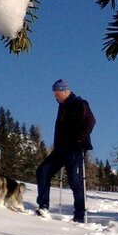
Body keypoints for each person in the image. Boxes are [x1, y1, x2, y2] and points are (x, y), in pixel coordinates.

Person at [36, 79, 96, 222]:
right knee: (42, 171)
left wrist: (80, 140)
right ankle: (43, 206)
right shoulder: (62, 106)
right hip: (60, 149)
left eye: (56, 93)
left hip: (74, 149)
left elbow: (91, 121)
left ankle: (79, 214)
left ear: (64, 91)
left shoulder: (79, 103)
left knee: (76, 181)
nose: (55, 97)